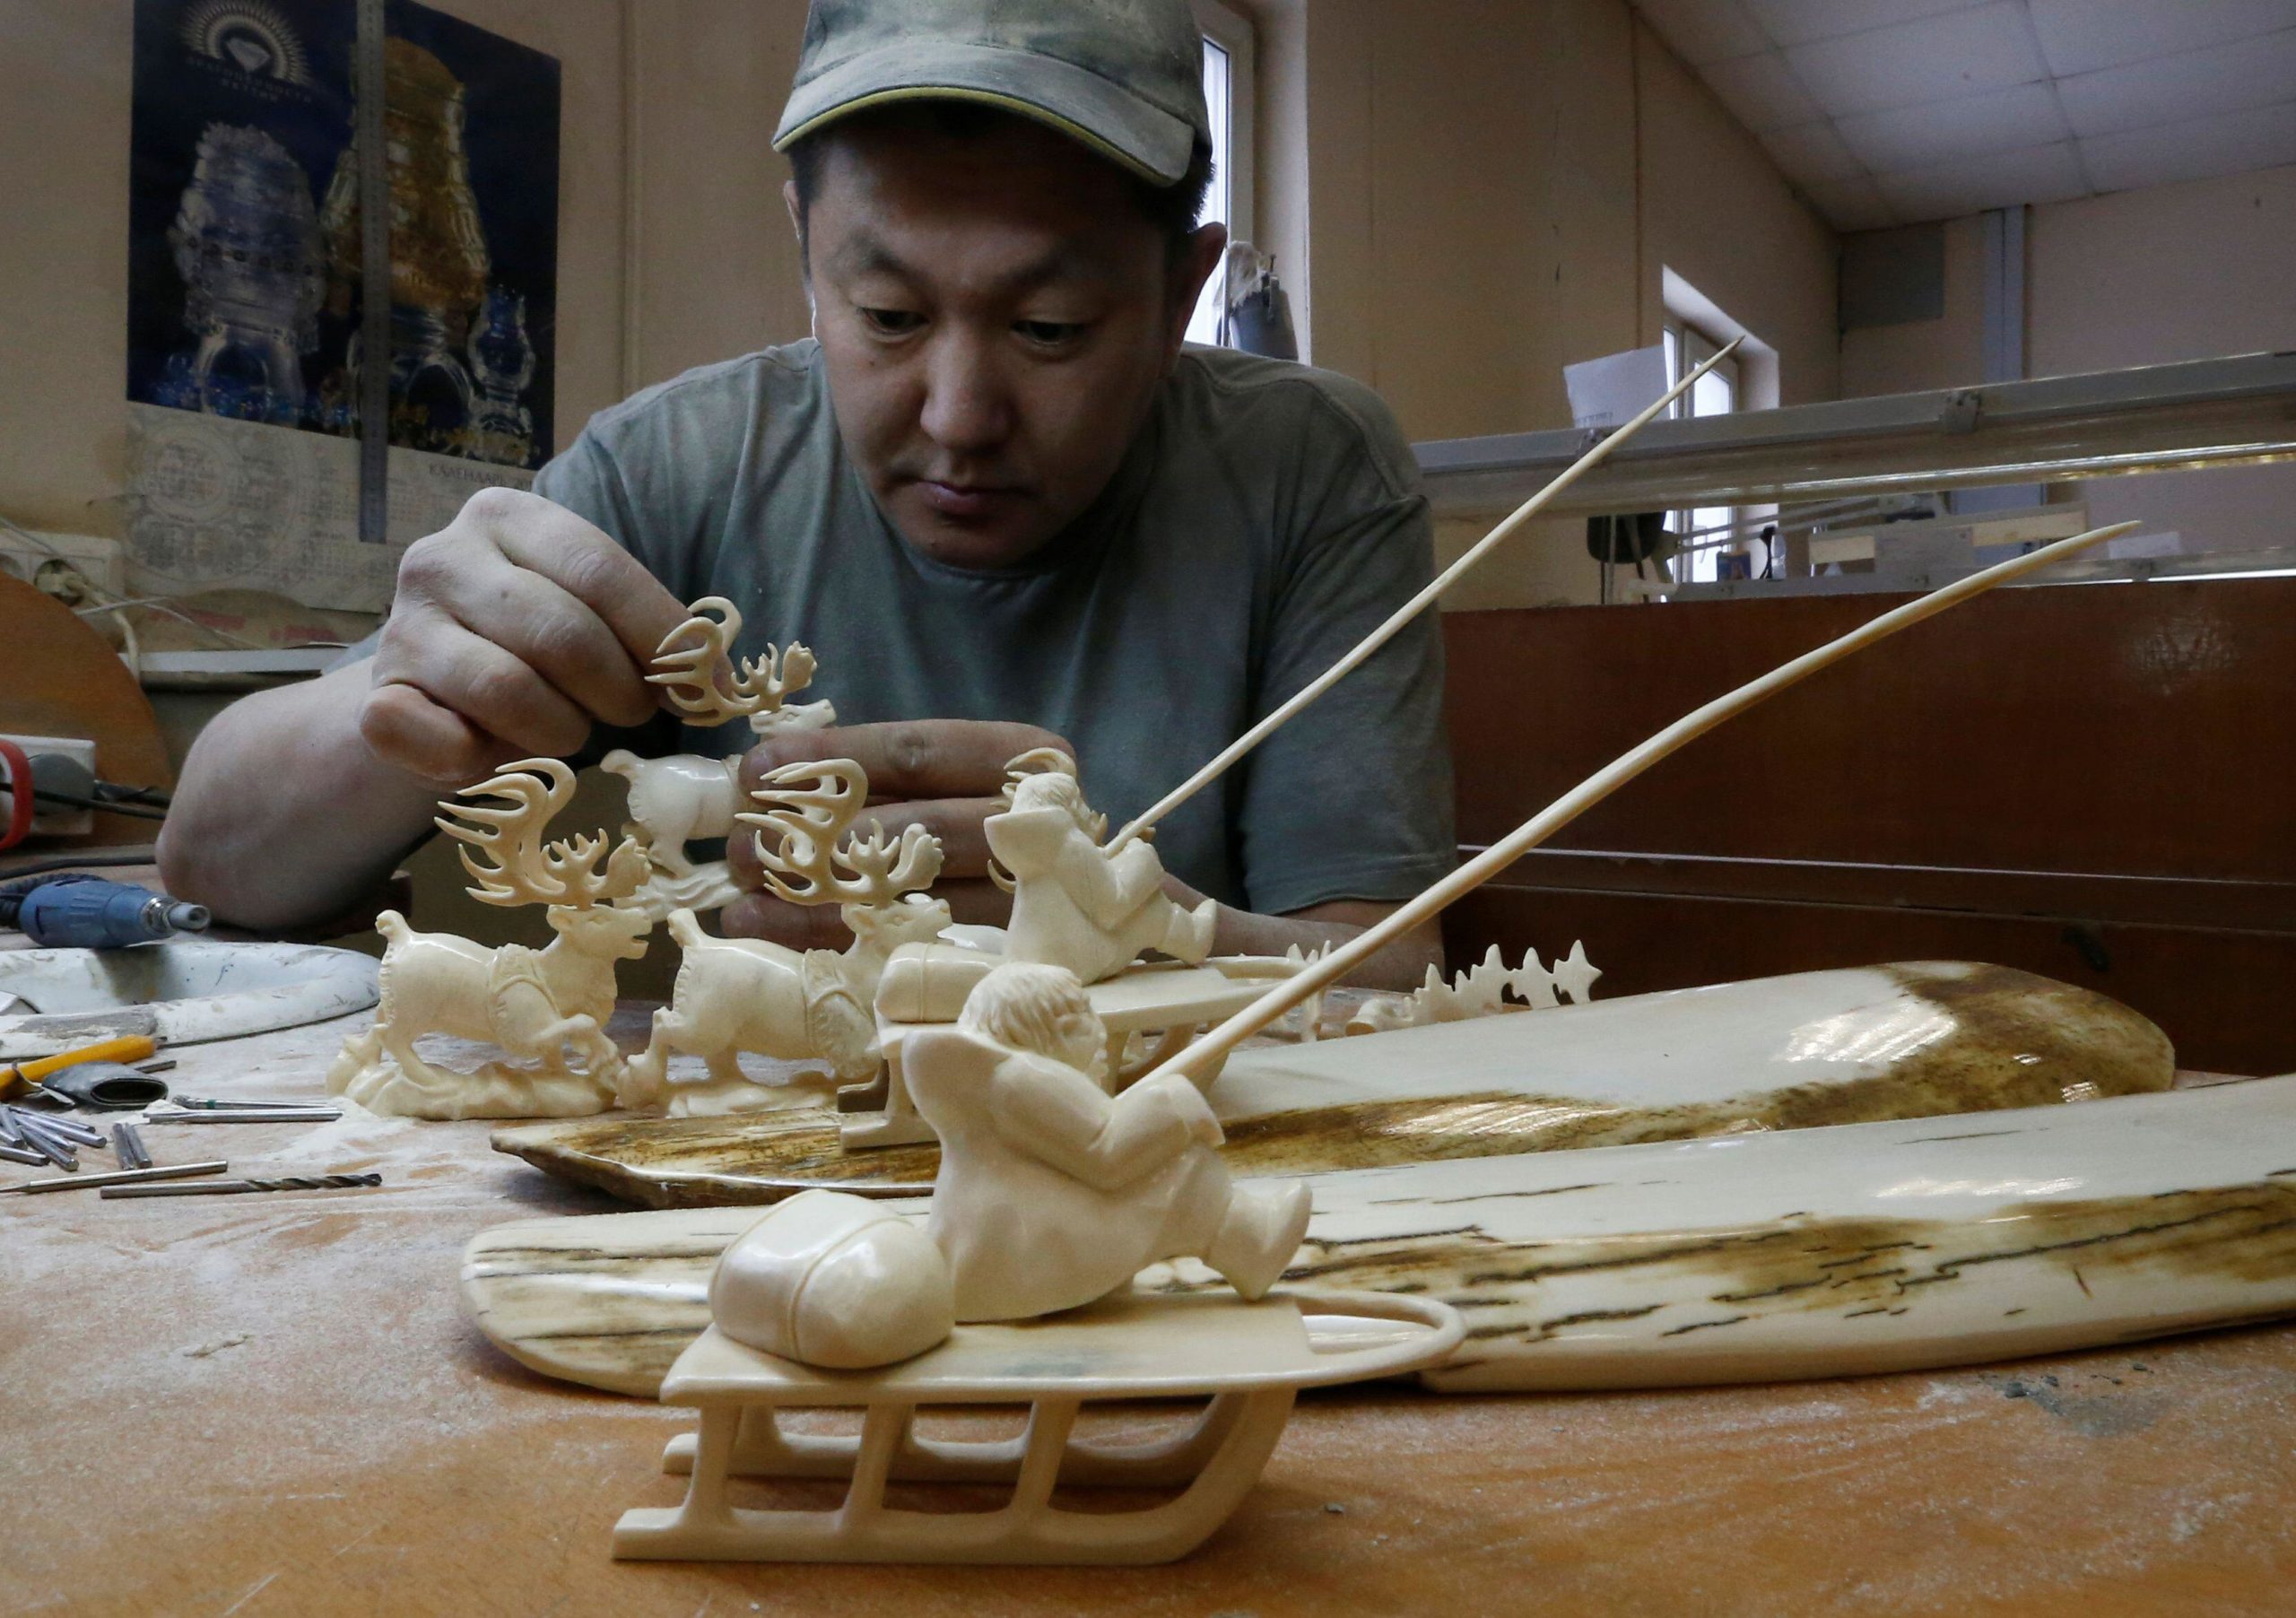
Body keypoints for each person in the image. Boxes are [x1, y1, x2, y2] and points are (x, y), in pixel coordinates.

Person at [160, 0, 1454, 987]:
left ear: (1182, 292)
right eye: (886, 314)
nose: (958, 415)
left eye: (1051, 327)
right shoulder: (677, 464)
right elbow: (212, 858)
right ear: (805, 254)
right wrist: (412, 695)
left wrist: (1112, 927)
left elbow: (1388, 972)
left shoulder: (1308, 472)